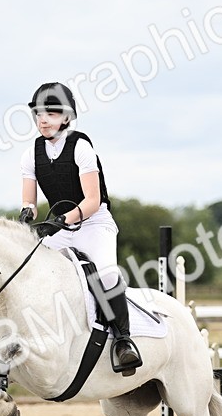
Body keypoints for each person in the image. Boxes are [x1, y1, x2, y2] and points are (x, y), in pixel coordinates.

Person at [18, 81, 142, 374]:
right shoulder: (30, 154)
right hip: (58, 226)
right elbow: (30, 201)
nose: (43, 120)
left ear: (66, 117)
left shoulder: (81, 147)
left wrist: (61, 221)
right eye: (38, 114)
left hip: (93, 223)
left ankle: (123, 342)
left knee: (108, 275)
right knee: (30, 273)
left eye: (50, 113)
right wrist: (26, 215)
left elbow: (93, 201)